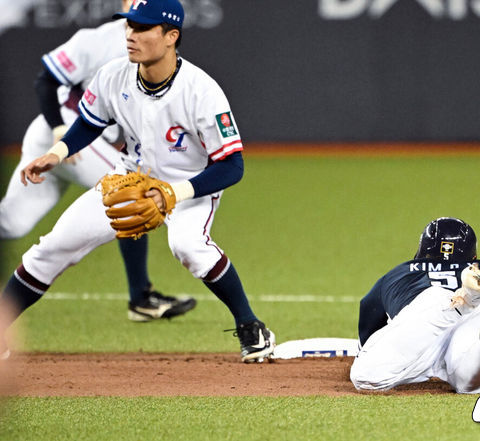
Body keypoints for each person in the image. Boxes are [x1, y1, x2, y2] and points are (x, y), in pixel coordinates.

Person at [0, 0, 275, 363]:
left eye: (143, 28)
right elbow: (89, 123)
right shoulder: (113, 75)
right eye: (129, 26)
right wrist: (59, 152)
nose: (130, 35)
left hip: (190, 185)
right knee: (52, 248)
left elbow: (232, 166)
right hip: (131, 177)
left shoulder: (202, 92)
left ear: (170, 37)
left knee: (188, 247)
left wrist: (172, 194)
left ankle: (251, 327)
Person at [0, 0, 196, 323]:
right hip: (63, 132)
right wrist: (59, 130)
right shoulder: (97, 39)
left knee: (12, 222)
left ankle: (141, 298)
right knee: (131, 192)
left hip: (85, 142)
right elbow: (46, 81)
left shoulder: (156, 50)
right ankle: (141, 299)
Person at [350, 217, 480, 393]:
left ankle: (455, 305)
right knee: (468, 385)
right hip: (471, 323)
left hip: (423, 321)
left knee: (366, 378)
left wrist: (366, 351)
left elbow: (368, 309)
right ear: (472, 255)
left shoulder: (399, 273)